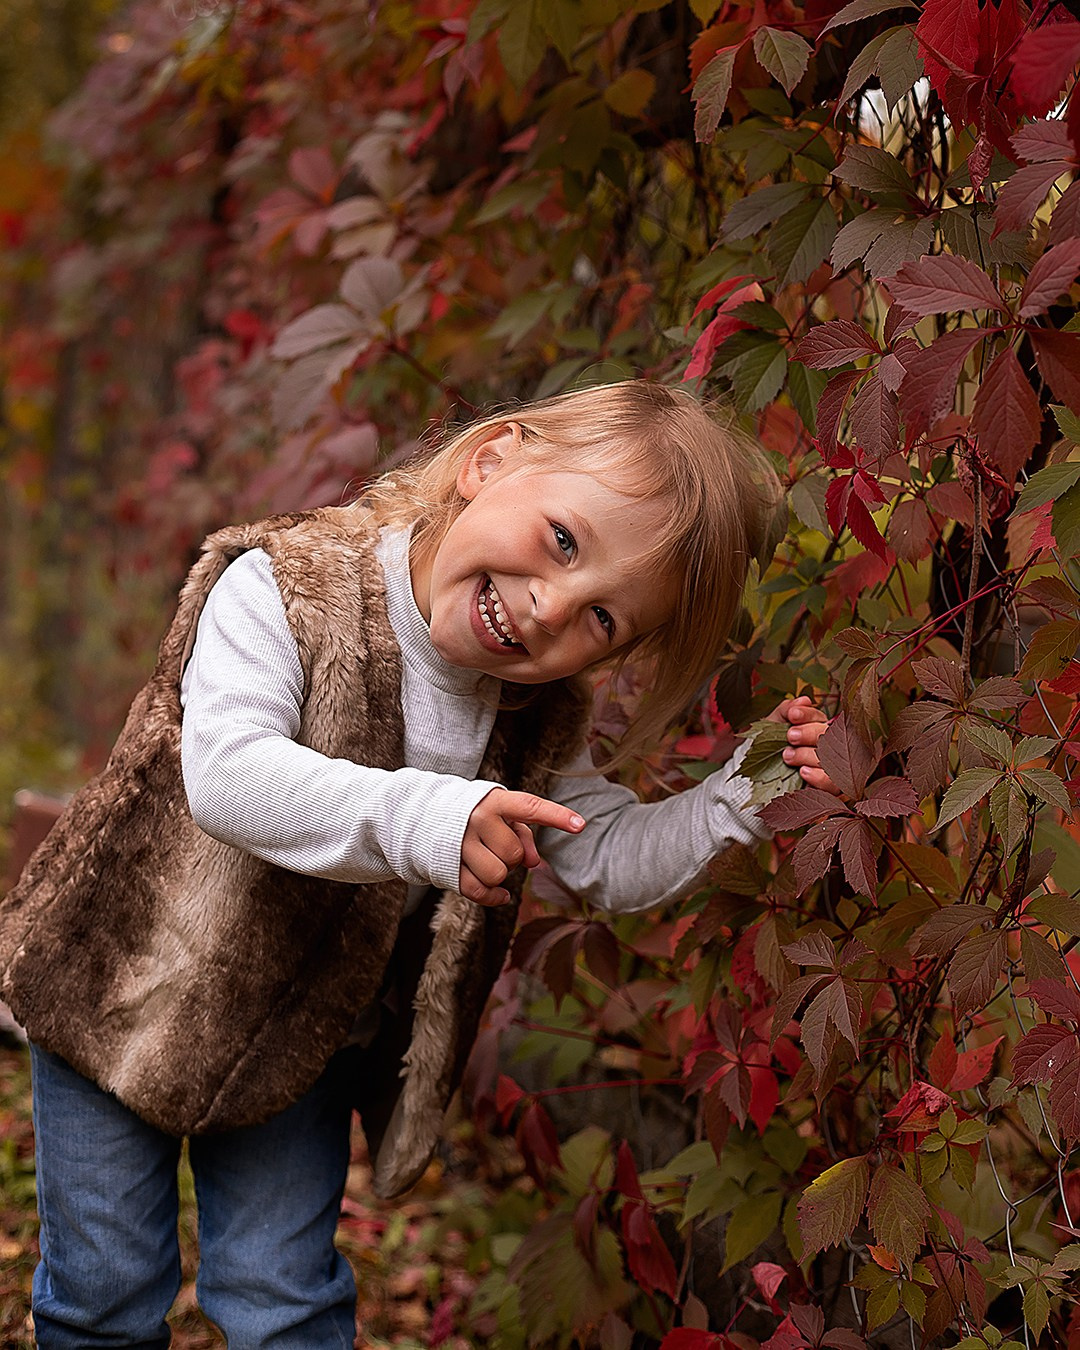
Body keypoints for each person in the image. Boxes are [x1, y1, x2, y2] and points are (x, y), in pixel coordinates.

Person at [0, 380, 834, 1348]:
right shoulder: (287, 585)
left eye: (604, 619)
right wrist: (432, 811)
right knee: (105, 1294)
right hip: (123, 982)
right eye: (563, 541)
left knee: (284, 1300)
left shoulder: (536, 710)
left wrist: (736, 798)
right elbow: (227, 776)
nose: (552, 607)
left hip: (293, 1031)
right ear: (490, 463)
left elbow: (598, 855)